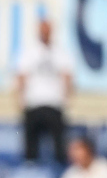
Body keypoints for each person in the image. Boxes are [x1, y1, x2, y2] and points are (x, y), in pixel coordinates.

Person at [16, 19, 74, 164]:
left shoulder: (59, 52)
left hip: (54, 104)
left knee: (59, 146)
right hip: (34, 103)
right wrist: (20, 99)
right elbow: (22, 76)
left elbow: (67, 76)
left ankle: (59, 170)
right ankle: (31, 170)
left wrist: (66, 98)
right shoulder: (30, 51)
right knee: (30, 147)